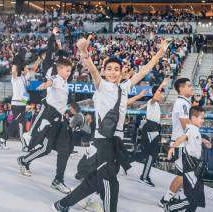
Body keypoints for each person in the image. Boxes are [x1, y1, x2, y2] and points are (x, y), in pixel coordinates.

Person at [52, 37, 169, 212]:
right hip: (103, 141)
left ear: (121, 73)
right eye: (109, 69)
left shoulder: (124, 88)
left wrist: (159, 54)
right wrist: (84, 51)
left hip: (116, 142)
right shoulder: (101, 85)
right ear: (104, 72)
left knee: (94, 182)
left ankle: (62, 204)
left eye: (116, 69)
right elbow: (91, 69)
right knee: (110, 184)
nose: (113, 72)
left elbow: (144, 71)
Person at [17, 57, 73, 194]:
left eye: (70, 71)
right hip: (51, 116)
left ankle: (58, 180)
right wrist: (45, 85)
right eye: (67, 70)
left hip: (59, 118)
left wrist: (66, 112)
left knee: (64, 149)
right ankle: (24, 160)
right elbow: (51, 81)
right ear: (59, 69)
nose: (69, 73)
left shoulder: (65, 82)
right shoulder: (56, 78)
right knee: (46, 148)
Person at [165, 106, 212, 212]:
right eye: (201, 118)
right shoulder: (190, 128)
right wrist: (172, 147)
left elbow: (194, 140)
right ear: (193, 118)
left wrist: (203, 141)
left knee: (197, 198)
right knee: (194, 197)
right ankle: (170, 207)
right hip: (190, 166)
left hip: (195, 166)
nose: (203, 120)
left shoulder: (195, 130)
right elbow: (183, 138)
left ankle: (173, 206)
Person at [160, 77, 194, 208]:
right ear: (181, 88)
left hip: (181, 143)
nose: (192, 88)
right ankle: (166, 200)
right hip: (180, 144)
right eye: (189, 86)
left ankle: (179, 198)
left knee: (185, 175)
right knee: (182, 175)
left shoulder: (184, 102)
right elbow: (186, 124)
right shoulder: (182, 103)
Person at [0, 47, 41, 151]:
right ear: (22, 69)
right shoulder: (15, 78)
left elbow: (34, 69)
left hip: (22, 104)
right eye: (26, 68)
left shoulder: (24, 78)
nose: (27, 69)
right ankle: (18, 143)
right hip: (16, 104)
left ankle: (7, 141)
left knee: (18, 124)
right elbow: (14, 70)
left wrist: (39, 60)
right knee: (19, 123)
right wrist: (17, 60)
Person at [139, 78, 168, 187]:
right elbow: (155, 96)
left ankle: (145, 175)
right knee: (152, 153)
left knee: (151, 153)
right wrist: (162, 84)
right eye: (161, 94)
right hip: (151, 128)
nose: (162, 96)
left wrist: (164, 117)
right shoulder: (152, 101)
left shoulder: (156, 105)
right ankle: (144, 176)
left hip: (154, 127)